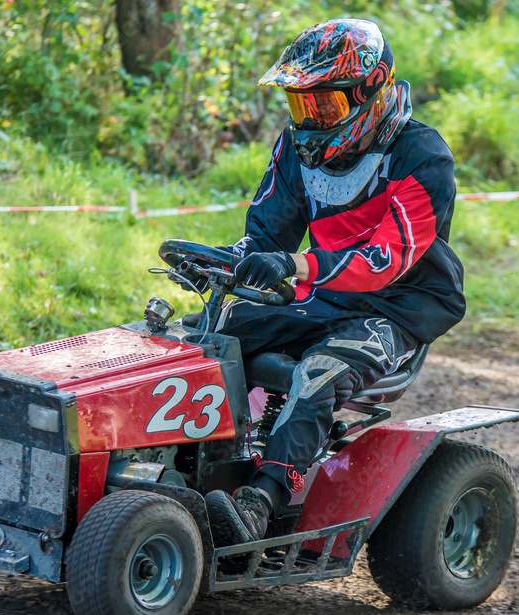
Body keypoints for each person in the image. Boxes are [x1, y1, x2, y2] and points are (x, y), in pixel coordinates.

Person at [199, 18, 466, 547]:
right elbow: (265, 236)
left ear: (372, 92)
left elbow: (384, 259)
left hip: (397, 308)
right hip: (322, 293)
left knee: (320, 372)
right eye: (302, 105)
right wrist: (229, 262)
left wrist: (297, 266)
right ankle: (197, 468)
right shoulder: (296, 150)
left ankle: (261, 501)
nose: (311, 119)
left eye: (326, 105)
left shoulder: (423, 157)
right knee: (201, 334)